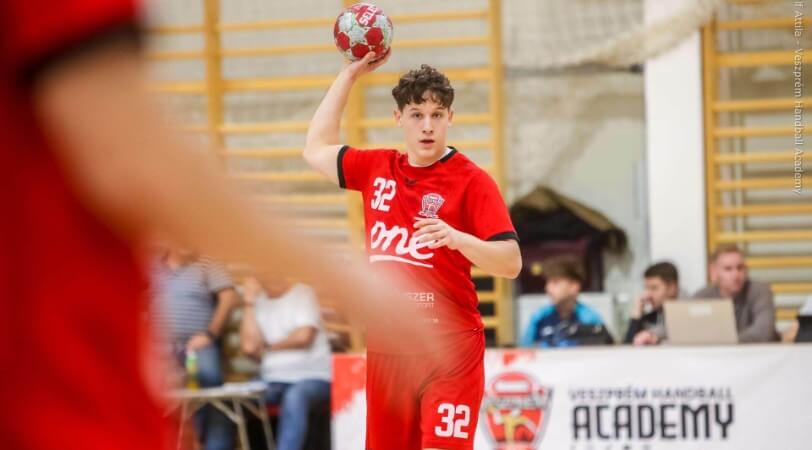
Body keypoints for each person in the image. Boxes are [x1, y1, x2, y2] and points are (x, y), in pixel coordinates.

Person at [0, 2, 410, 449]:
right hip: (61, 395)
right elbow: (127, 158)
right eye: (416, 115)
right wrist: (349, 283)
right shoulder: (377, 166)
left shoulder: (458, 175)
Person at [303, 52, 522, 450]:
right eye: (417, 114)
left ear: (450, 118)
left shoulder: (473, 181)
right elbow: (315, 149)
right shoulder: (377, 169)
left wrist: (459, 239)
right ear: (398, 117)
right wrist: (348, 75)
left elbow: (511, 263)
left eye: (437, 115)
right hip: (389, 349)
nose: (427, 126)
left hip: (450, 348)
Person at [152, 246, 238, 450]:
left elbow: (228, 297)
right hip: (160, 347)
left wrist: (210, 334)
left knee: (212, 388)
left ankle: (215, 446)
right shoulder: (152, 265)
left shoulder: (207, 262)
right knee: (153, 391)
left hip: (199, 344)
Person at [239, 276, 331, 450]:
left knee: (295, 396)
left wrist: (268, 347)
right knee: (238, 399)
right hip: (271, 381)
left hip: (314, 378)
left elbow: (304, 337)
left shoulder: (303, 292)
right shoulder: (258, 301)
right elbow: (249, 348)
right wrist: (249, 303)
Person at [521, 257, 613, 348]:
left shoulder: (591, 320)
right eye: (547, 283)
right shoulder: (539, 318)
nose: (548, 288)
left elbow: (606, 352)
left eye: (555, 282)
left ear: (574, 286)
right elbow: (524, 351)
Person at [693, 244, 777, 343]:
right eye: (728, 269)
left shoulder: (760, 291)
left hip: (756, 351)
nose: (736, 275)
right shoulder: (702, 297)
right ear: (713, 272)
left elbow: (764, 331)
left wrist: (725, 342)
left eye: (740, 268)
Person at [623, 262, 680, 346]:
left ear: (672, 288)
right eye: (646, 288)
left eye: (654, 288)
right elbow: (627, 347)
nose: (648, 294)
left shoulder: (689, 313)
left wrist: (657, 342)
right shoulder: (650, 317)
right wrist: (636, 314)